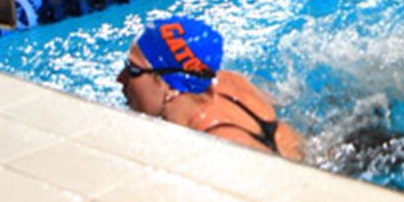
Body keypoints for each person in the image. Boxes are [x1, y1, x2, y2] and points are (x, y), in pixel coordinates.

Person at [118, 16, 305, 160]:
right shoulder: (228, 81)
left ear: (171, 85)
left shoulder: (218, 146)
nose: (120, 78)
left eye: (133, 69)